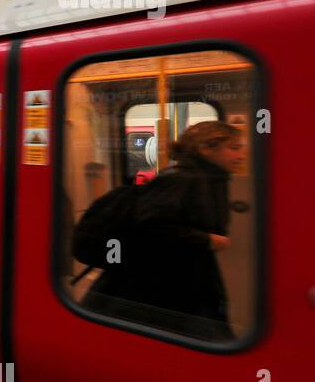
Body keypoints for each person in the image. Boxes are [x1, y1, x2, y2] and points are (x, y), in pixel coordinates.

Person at [84, 121, 243, 340]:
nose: (242, 155)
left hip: (182, 281)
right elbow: (150, 227)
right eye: (234, 148)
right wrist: (206, 240)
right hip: (155, 285)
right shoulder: (181, 180)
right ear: (206, 149)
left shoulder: (211, 180)